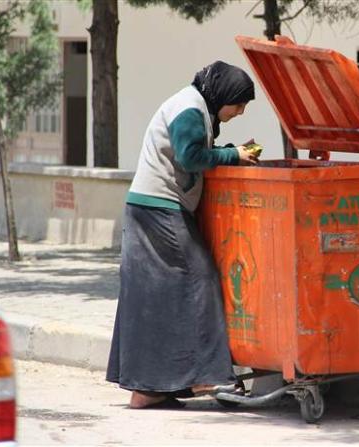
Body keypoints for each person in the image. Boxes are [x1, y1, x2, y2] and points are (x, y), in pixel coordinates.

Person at [106, 61, 258, 409]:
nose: (240, 111)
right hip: (159, 208)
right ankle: (208, 377)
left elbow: (191, 152)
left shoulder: (194, 105)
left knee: (155, 299)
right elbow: (190, 157)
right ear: (224, 95)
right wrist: (233, 155)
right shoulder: (189, 108)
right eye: (239, 104)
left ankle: (149, 389)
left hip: (150, 208)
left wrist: (232, 150)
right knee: (199, 280)